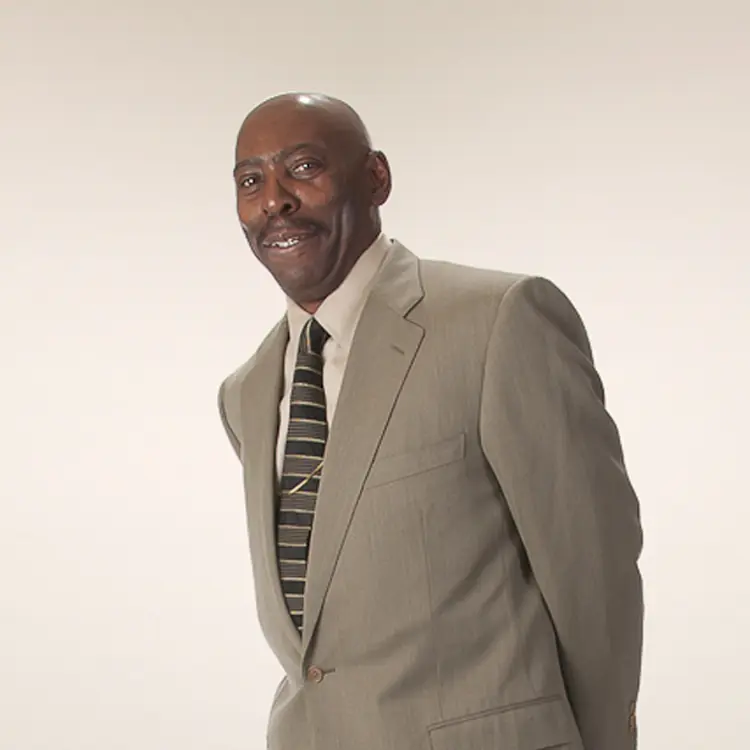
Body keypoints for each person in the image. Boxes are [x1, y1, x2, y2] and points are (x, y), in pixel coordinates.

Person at [217, 92, 644, 750]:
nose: (274, 200)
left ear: (376, 178)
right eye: (251, 181)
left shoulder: (497, 321)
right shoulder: (246, 393)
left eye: (303, 168)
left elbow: (594, 580)